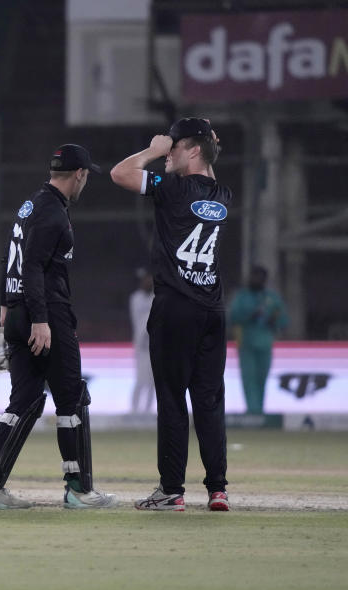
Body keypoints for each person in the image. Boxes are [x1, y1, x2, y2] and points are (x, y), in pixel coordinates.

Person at [0, 144, 117, 510]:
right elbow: (34, 266)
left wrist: (7, 304)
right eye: (86, 176)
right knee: (72, 399)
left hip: (20, 310)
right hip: (47, 315)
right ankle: (79, 490)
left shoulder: (31, 204)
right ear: (79, 174)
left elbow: (11, 255)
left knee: (25, 400)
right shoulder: (53, 212)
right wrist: (40, 320)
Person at [110, 117, 231, 512]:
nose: (168, 151)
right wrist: (201, 148)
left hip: (175, 307)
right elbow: (205, 174)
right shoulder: (224, 194)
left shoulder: (173, 188)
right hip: (212, 309)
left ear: (193, 150)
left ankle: (171, 491)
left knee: (173, 400)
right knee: (210, 402)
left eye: (176, 146)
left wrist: (153, 151)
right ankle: (217, 489)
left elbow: (120, 174)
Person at [229, 265, 288, 415]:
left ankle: (260, 412)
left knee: (262, 377)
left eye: (259, 277)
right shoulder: (242, 296)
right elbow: (232, 317)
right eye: (253, 276)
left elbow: (283, 320)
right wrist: (250, 316)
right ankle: (252, 411)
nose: (255, 280)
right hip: (246, 343)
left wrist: (273, 321)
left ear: (264, 279)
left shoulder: (272, 298)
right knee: (249, 378)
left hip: (265, 343)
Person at [129, 267, 154, 413]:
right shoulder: (135, 298)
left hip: (154, 345)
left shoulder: (156, 297)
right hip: (141, 346)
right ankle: (134, 410)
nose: (148, 282)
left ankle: (148, 410)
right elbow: (137, 322)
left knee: (153, 381)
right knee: (140, 379)